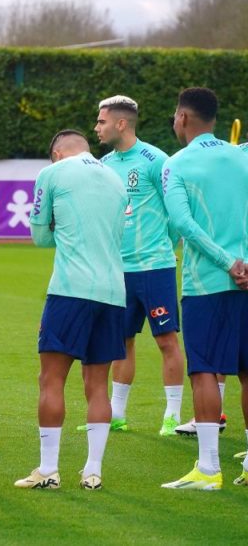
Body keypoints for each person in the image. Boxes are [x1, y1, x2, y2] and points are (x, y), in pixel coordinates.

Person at [14, 130, 126, 491]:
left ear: (58, 154)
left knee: (51, 379)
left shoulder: (53, 174)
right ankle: (93, 471)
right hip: (112, 291)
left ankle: (48, 469)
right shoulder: (115, 178)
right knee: (97, 386)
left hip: (70, 290)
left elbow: (40, 237)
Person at [159, 88, 248, 490]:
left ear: (182, 118)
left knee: (205, 370)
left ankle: (210, 469)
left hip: (207, 284)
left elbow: (183, 224)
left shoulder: (176, 165)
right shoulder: (241, 158)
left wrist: (228, 262)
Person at [94, 95, 185, 435]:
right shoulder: (103, 164)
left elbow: (175, 211)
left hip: (154, 267)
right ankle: (117, 413)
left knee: (166, 340)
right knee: (122, 340)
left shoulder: (155, 159)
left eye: (102, 121)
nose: (97, 127)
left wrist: (164, 245)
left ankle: (172, 415)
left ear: (121, 123)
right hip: (118, 270)